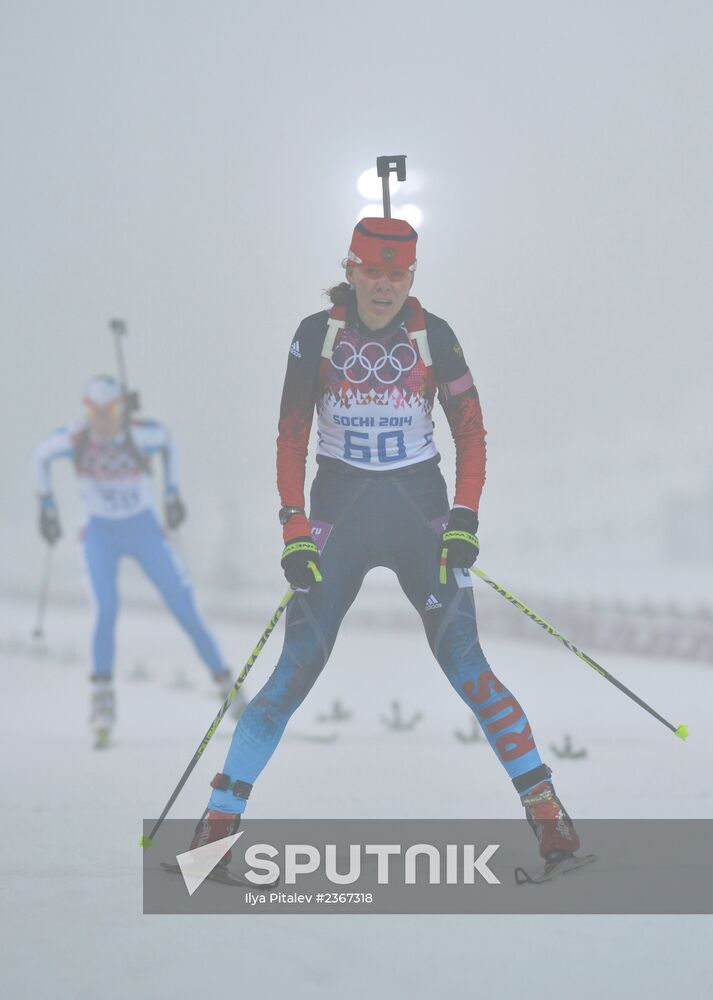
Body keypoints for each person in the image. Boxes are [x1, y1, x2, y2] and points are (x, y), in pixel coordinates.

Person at [190, 218, 582, 874]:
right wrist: (293, 531)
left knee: (466, 664)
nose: (384, 286)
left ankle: (548, 817)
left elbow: (472, 434)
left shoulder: (435, 336)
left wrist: (463, 518)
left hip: (417, 515)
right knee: (293, 672)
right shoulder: (316, 336)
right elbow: (290, 437)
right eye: (372, 272)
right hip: (338, 516)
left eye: (397, 275)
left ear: (411, 277)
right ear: (349, 270)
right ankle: (214, 830)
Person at [34, 375, 244, 745]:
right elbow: (42, 455)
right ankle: (102, 700)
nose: (101, 419)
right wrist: (46, 507)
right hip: (100, 534)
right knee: (106, 610)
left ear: (122, 409)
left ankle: (230, 691)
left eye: (109, 411)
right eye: (93, 411)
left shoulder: (141, 433)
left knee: (185, 608)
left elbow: (169, 442)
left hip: (145, 530)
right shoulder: (77, 436)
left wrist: (172, 493)